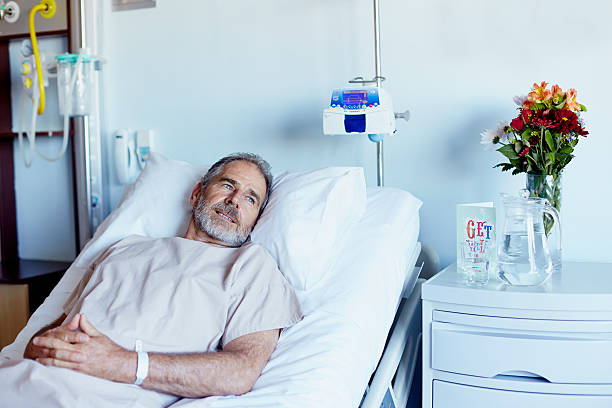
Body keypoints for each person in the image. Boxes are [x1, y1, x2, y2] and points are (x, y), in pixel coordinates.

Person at [0, 153, 303, 407]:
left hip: (102, 397)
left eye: (251, 198)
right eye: (227, 185)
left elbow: (242, 370)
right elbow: (48, 336)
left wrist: (122, 363)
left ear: (255, 220)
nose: (235, 200)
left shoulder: (251, 267)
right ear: (197, 193)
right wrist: (42, 347)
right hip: (23, 380)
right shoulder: (123, 247)